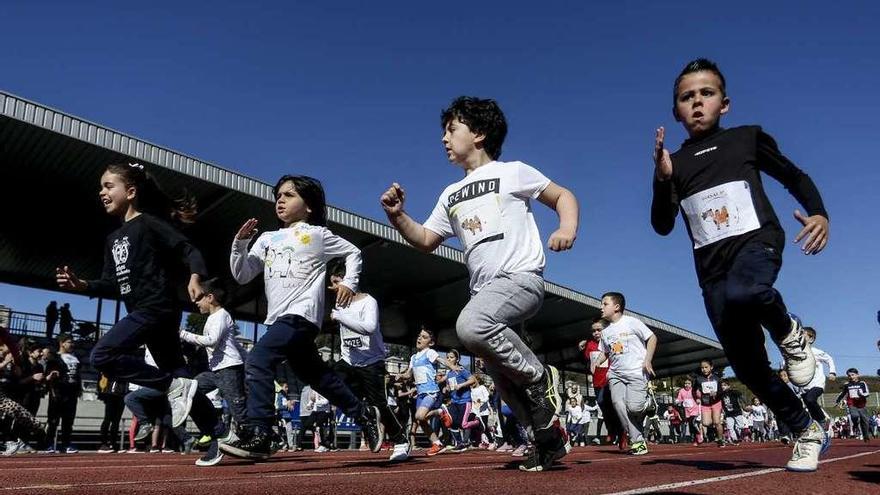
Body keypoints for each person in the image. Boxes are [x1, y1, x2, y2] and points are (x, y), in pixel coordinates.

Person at [380, 96, 579, 472]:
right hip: (484, 292)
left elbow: (562, 195)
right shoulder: (449, 195)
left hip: (520, 279)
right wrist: (398, 216)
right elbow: (425, 239)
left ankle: (540, 376)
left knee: (470, 327)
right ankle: (545, 440)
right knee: (501, 377)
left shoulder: (513, 171)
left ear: (480, 134)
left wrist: (566, 227)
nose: (443, 138)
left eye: (451, 129)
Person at [651, 58, 830, 472]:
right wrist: (661, 179)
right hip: (711, 270)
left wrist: (818, 212)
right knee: (748, 365)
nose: (697, 103)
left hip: (757, 242)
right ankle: (806, 430)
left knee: (747, 291)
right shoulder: (672, 163)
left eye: (706, 94)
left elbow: (792, 174)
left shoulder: (746, 139)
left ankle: (790, 333)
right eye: (686, 97)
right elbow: (661, 225)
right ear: (676, 110)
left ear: (724, 103)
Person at [55, 162, 221, 466]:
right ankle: (219, 435)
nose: (101, 192)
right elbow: (111, 283)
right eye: (101, 187)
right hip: (145, 312)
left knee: (102, 355)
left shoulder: (148, 224)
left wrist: (195, 276)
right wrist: (83, 284)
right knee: (180, 375)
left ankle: (174, 388)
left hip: (157, 308)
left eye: (108, 186)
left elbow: (188, 249)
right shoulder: (112, 239)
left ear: (130, 192)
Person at [223, 174, 381, 460]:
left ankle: (259, 432)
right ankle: (363, 413)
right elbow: (242, 274)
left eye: (288, 195)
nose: (280, 200)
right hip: (278, 319)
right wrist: (240, 245)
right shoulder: (267, 239)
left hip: (301, 315)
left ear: (308, 206)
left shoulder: (317, 235)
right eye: (278, 196)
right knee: (318, 377)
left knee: (258, 359)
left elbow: (354, 252)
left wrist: (349, 282)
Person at [326, 263, 410, 461]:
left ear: (350, 280)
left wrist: (339, 317)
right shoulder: (339, 303)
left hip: (372, 362)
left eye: (337, 283)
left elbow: (370, 327)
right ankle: (365, 417)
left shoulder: (368, 301)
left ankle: (401, 441)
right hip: (348, 361)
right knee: (331, 386)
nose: (334, 288)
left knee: (380, 404)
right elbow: (345, 334)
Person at [178, 278, 248, 439]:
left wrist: (183, 334)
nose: (196, 302)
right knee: (191, 390)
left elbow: (211, 340)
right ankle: (214, 429)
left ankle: (268, 437)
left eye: (199, 298)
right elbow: (234, 344)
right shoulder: (212, 318)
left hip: (229, 369)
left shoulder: (222, 315)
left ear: (210, 298)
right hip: (215, 371)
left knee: (238, 411)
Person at [590, 292, 657, 456]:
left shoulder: (632, 322)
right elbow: (604, 352)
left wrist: (647, 360)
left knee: (634, 407)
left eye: (605, 304)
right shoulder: (606, 332)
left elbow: (652, 338)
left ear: (617, 307)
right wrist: (596, 362)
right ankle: (638, 441)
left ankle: (649, 404)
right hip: (615, 374)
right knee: (619, 406)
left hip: (636, 372)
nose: (601, 307)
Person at [393, 328, 446, 456]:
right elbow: (408, 375)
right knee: (420, 420)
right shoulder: (413, 358)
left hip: (431, 391)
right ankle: (437, 443)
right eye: (419, 336)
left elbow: (441, 361)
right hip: (420, 393)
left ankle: (441, 412)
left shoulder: (430, 352)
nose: (419, 338)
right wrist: (401, 376)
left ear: (431, 342)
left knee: (419, 416)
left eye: (424, 337)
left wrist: (453, 366)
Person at [579, 317, 623, 448]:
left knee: (611, 405)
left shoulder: (614, 341)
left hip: (612, 380)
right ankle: (613, 431)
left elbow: (620, 356)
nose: (596, 333)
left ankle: (620, 432)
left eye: (599, 330)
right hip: (597, 382)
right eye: (594, 331)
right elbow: (586, 362)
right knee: (603, 407)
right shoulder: (590, 345)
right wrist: (581, 350)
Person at [44, 333, 81, 453]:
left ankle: (66, 444)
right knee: (53, 420)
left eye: (72, 342)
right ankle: (48, 444)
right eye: (69, 342)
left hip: (71, 393)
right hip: (58, 393)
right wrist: (53, 390)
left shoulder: (75, 357)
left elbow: (78, 375)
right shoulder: (54, 358)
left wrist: (78, 389)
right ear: (62, 343)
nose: (72, 344)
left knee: (68, 421)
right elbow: (49, 376)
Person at [441, 349, 476, 453]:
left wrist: (461, 385)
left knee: (463, 424)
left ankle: (477, 422)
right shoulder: (449, 373)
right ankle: (460, 443)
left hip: (465, 400)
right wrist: (446, 389)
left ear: (457, 359)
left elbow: (472, 380)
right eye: (447, 357)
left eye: (451, 357)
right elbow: (449, 386)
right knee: (451, 423)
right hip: (454, 401)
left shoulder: (462, 370)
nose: (449, 359)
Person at [799, 327, 835, 424]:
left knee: (810, 399)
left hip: (817, 384)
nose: (799, 336)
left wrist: (832, 372)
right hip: (804, 386)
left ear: (811, 339)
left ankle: (823, 419)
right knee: (809, 405)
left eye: (803, 334)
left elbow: (829, 359)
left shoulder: (815, 352)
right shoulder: (797, 353)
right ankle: (819, 423)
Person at [693, 360, 724, 446]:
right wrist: (696, 398)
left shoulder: (717, 378)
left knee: (717, 422)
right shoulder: (698, 379)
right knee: (705, 423)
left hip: (716, 402)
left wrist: (716, 394)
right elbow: (693, 390)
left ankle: (721, 439)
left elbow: (721, 392)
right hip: (705, 403)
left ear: (711, 367)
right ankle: (712, 433)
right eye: (702, 368)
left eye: (706, 367)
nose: (704, 369)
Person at [836, 368, 871, 443]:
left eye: (853, 375)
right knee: (854, 416)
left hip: (861, 404)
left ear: (858, 375)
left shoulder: (862, 383)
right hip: (852, 404)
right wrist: (838, 400)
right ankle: (855, 425)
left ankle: (866, 436)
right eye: (849, 375)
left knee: (865, 421)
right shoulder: (847, 385)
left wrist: (861, 394)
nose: (851, 377)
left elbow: (867, 393)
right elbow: (843, 393)